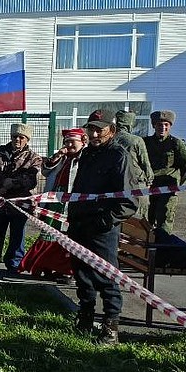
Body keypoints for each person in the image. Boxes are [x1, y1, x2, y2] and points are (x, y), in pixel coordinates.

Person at [67, 118, 138, 345]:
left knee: (107, 277)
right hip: (79, 224)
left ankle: (110, 326)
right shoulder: (87, 154)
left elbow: (128, 201)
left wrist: (103, 222)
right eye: (92, 130)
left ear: (112, 131)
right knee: (81, 274)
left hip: (102, 229)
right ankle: (85, 316)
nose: (95, 135)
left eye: (100, 130)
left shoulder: (119, 156)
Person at [18, 128, 85, 280]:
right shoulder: (63, 157)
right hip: (55, 199)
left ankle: (65, 270)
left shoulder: (85, 159)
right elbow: (46, 170)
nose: (68, 145)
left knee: (66, 237)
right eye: (66, 142)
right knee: (49, 233)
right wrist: (58, 155)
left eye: (72, 142)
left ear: (82, 142)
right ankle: (46, 265)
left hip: (71, 201)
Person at [0, 123, 42, 273]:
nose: (17, 140)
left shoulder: (34, 158)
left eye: (21, 137)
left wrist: (11, 183)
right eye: (15, 137)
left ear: (27, 139)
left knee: (18, 235)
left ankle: (14, 263)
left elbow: (31, 179)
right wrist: (2, 184)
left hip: (20, 205)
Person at [145, 110, 186, 234]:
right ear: (154, 126)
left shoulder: (176, 143)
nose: (162, 128)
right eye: (159, 125)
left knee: (164, 219)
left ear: (170, 126)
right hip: (149, 188)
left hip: (168, 187)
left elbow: (185, 164)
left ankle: (163, 248)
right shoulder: (146, 143)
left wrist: (178, 183)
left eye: (166, 125)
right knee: (147, 219)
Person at [114, 110, 152, 218]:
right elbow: (145, 163)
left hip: (116, 183)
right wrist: (149, 180)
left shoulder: (111, 140)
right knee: (139, 219)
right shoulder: (136, 140)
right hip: (137, 183)